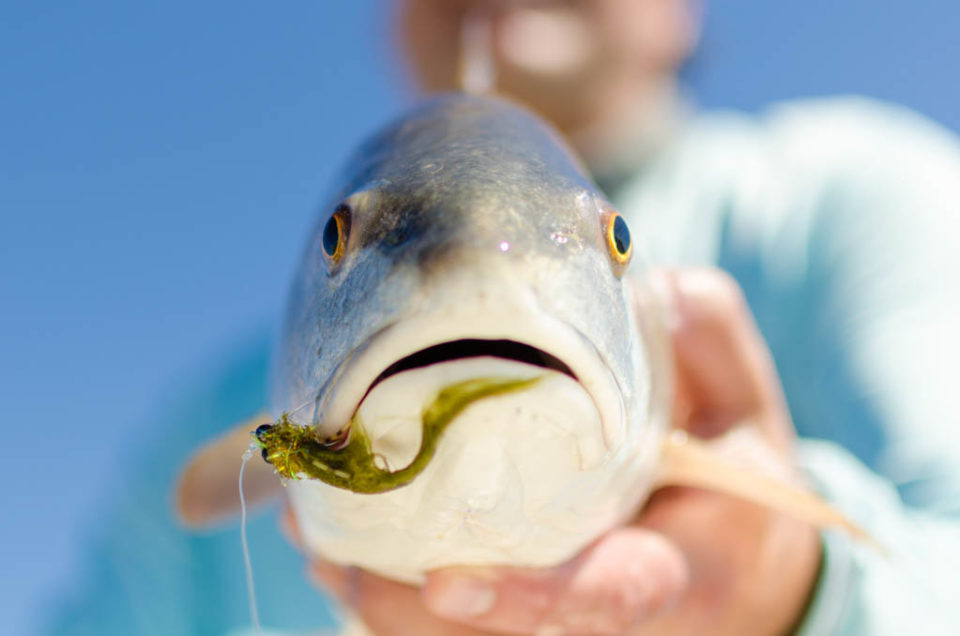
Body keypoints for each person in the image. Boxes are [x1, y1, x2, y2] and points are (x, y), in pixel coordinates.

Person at [49, 1, 960, 634]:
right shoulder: (205, 422)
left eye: (609, 243)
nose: (481, 285)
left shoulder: (852, 203)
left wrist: (801, 592)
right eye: (344, 240)